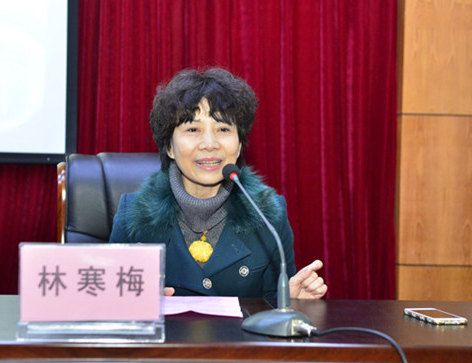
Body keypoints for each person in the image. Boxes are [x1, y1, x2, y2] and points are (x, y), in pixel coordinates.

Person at [110, 67, 327, 299]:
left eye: (223, 129)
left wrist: (290, 299)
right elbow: (106, 302)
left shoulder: (268, 214)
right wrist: (132, 300)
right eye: (193, 129)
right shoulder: (133, 215)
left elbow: (273, 305)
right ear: (169, 147)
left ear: (239, 145)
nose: (210, 144)